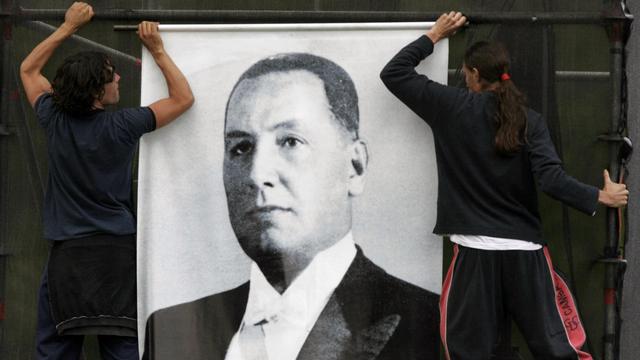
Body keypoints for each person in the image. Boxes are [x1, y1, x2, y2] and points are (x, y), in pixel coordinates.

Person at [143, 53, 439, 360]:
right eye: (241, 147)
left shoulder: (430, 323)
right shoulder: (171, 329)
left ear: (354, 166)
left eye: (291, 141)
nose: (258, 174)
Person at [380, 11, 629, 360]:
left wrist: (435, 34)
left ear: (474, 74)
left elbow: (394, 74)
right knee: (559, 351)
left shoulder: (451, 107)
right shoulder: (530, 121)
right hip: (525, 254)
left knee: (469, 352)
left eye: (466, 72)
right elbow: (551, 180)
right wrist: (601, 196)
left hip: (475, 253)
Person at [19, 2, 194, 359]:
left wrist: (69, 27)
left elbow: (28, 68)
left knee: (55, 349)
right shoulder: (124, 125)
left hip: (67, 254)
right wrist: (157, 50)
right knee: (122, 348)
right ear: (97, 91)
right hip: (116, 254)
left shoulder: (53, 118)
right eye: (111, 75)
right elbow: (183, 98)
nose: (118, 79)